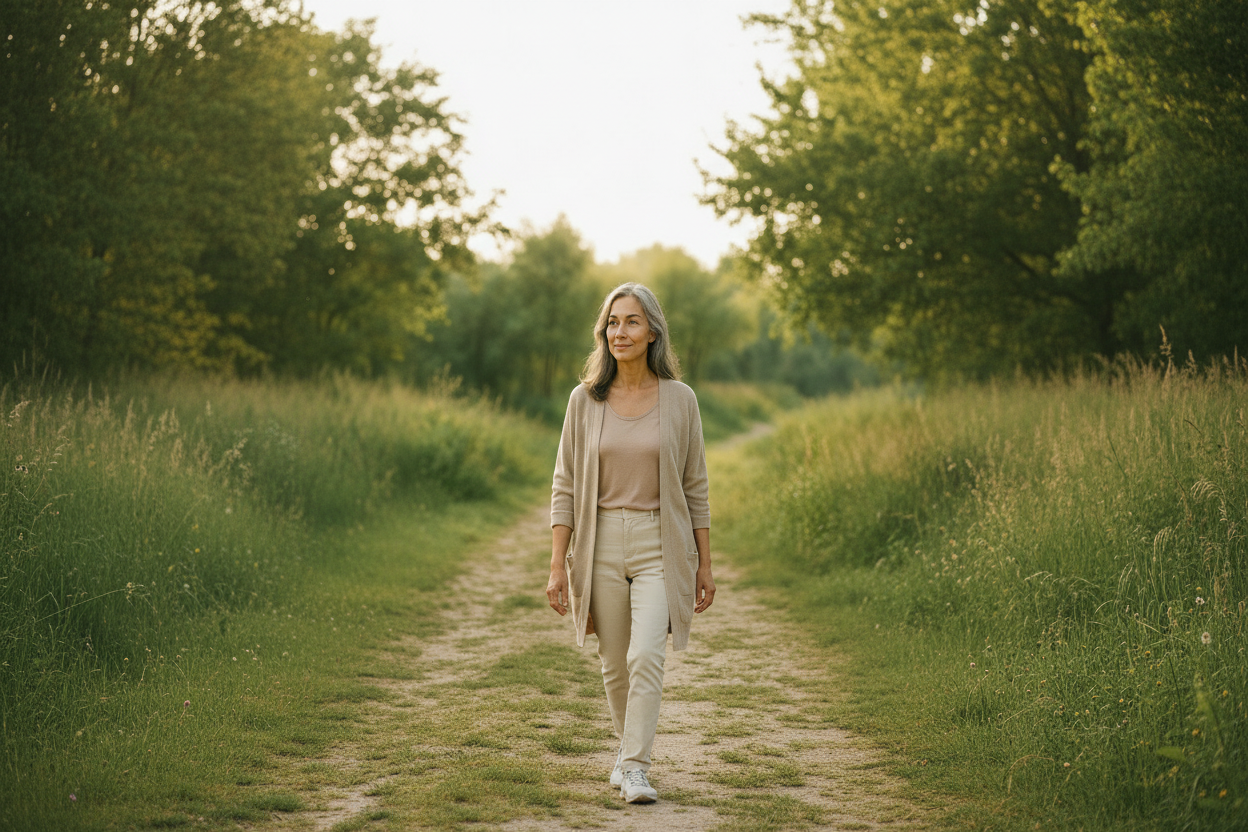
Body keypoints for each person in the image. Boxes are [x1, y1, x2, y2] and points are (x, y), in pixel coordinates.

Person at [546, 282, 715, 804]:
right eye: (613, 322)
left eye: (632, 322)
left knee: (647, 655)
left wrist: (704, 564)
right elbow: (566, 483)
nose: (620, 332)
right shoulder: (585, 399)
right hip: (599, 545)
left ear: (653, 332)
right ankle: (626, 751)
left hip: (659, 544)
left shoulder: (680, 400)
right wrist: (558, 565)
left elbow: (695, 486)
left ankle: (636, 767)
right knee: (615, 661)